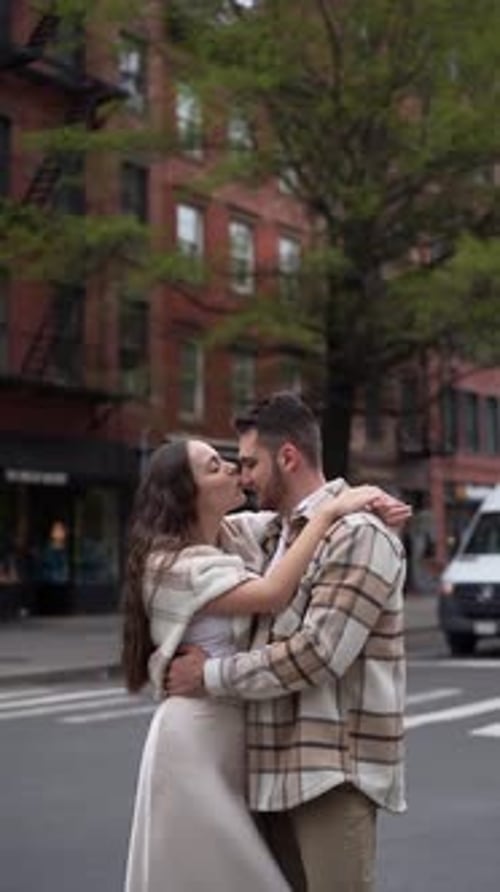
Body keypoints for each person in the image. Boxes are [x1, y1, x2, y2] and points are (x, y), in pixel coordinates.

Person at [122, 437, 393, 892]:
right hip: (196, 737)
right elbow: (272, 592)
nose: (232, 470)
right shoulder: (169, 564)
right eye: (214, 467)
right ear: (187, 494)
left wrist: (367, 502)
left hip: (238, 732)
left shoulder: (233, 534)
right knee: (226, 873)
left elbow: (298, 514)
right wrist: (331, 514)